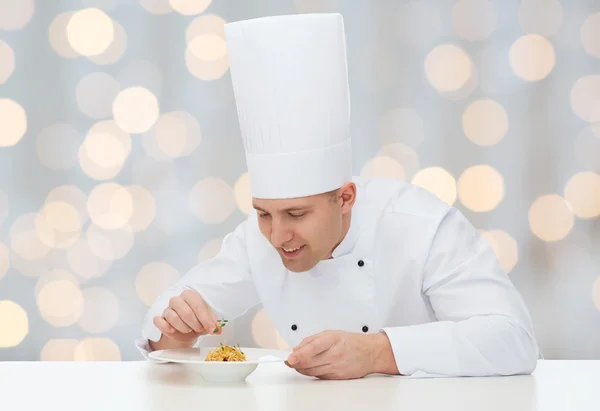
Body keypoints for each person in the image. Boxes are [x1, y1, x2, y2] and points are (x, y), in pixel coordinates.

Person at [135, 13, 540, 379]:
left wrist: (378, 352)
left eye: (296, 213)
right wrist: (175, 330)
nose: (277, 236)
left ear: (345, 198)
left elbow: (513, 340)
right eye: (263, 214)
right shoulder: (257, 239)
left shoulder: (423, 226)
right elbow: (169, 317)